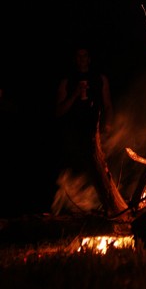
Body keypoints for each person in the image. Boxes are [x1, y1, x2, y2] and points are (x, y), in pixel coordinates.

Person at [54, 45, 114, 209]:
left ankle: (99, 207)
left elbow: (108, 105)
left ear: (89, 59)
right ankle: (74, 208)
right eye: (79, 56)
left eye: (85, 55)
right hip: (73, 134)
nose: (82, 59)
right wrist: (74, 94)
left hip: (94, 132)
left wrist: (108, 126)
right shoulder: (67, 81)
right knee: (76, 172)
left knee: (97, 172)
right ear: (75, 60)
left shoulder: (100, 79)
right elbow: (58, 111)